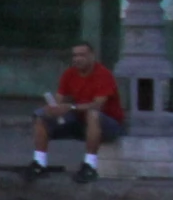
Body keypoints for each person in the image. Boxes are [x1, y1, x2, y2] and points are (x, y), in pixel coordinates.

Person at [24, 40, 124, 184]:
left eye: (82, 55)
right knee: (41, 115)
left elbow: (98, 105)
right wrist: (54, 109)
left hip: (107, 125)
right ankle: (39, 163)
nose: (77, 59)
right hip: (79, 122)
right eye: (75, 55)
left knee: (92, 114)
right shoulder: (69, 74)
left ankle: (90, 166)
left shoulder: (103, 74)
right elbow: (59, 99)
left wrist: (70, 107)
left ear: (92, 56)